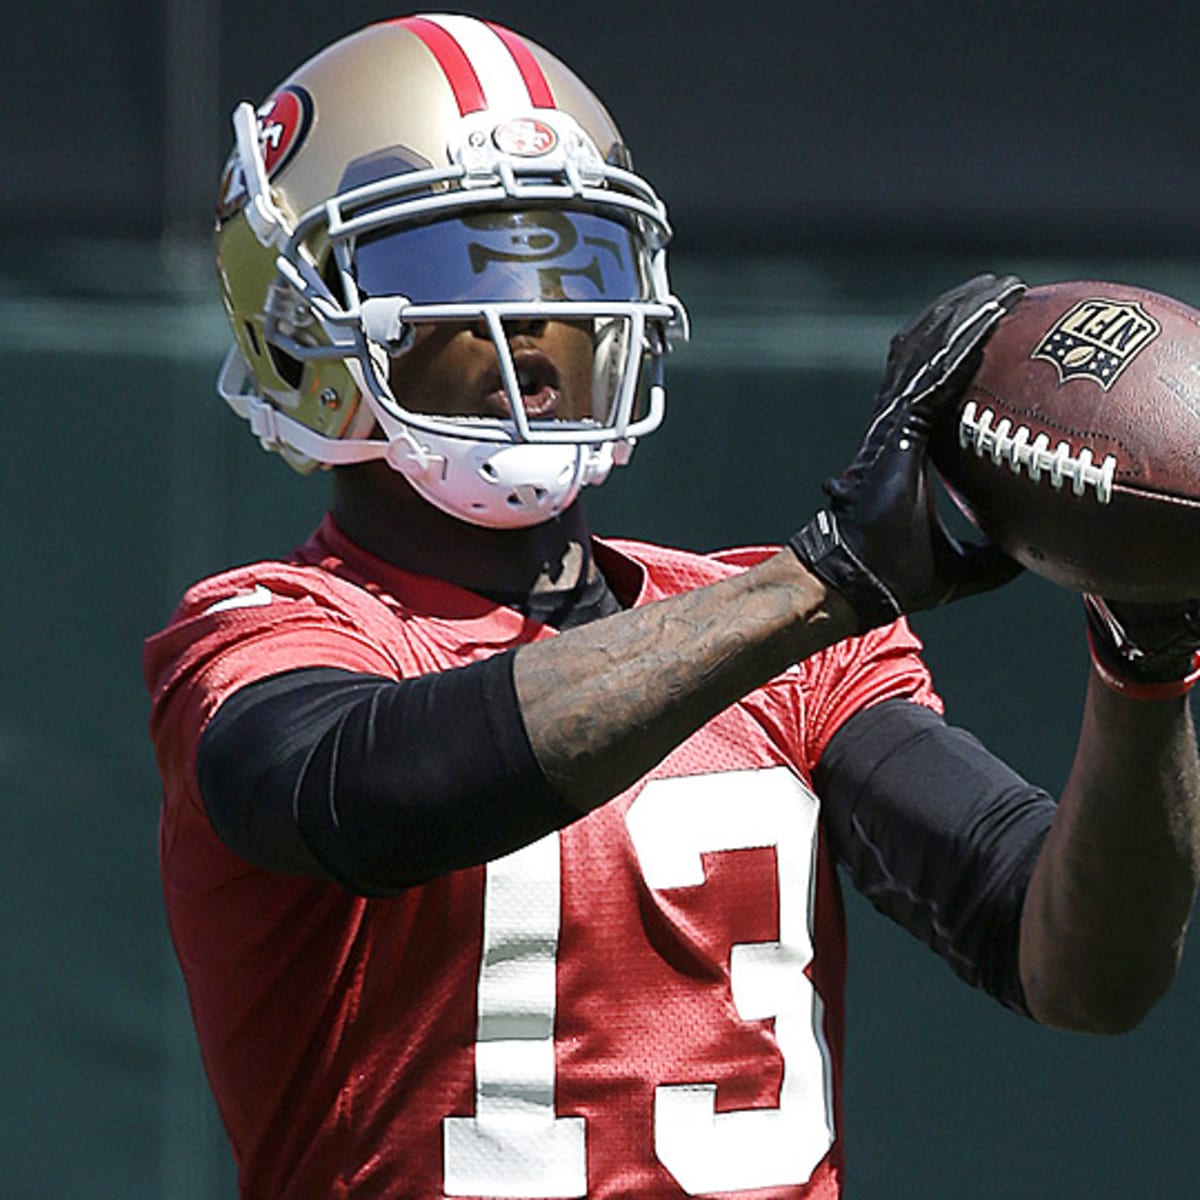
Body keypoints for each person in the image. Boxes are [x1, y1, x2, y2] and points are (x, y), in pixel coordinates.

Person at [144, 14, 1200, 1200]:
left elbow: (1077, 970)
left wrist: (1144, 655)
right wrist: (819, 582)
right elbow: (368, 797)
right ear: (299, 320)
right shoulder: (270, 629)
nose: (534, 327)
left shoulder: (783, 636)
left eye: (571, 269)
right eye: (456, 272)